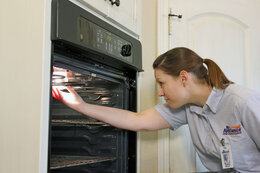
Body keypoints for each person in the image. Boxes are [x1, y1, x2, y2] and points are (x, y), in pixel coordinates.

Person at [52, 47, 260, 172]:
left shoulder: (242, 101)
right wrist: (81, 105)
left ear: (184, 77)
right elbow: (136, 120)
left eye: (162, 83)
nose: (160, 93)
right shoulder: (186, 107)